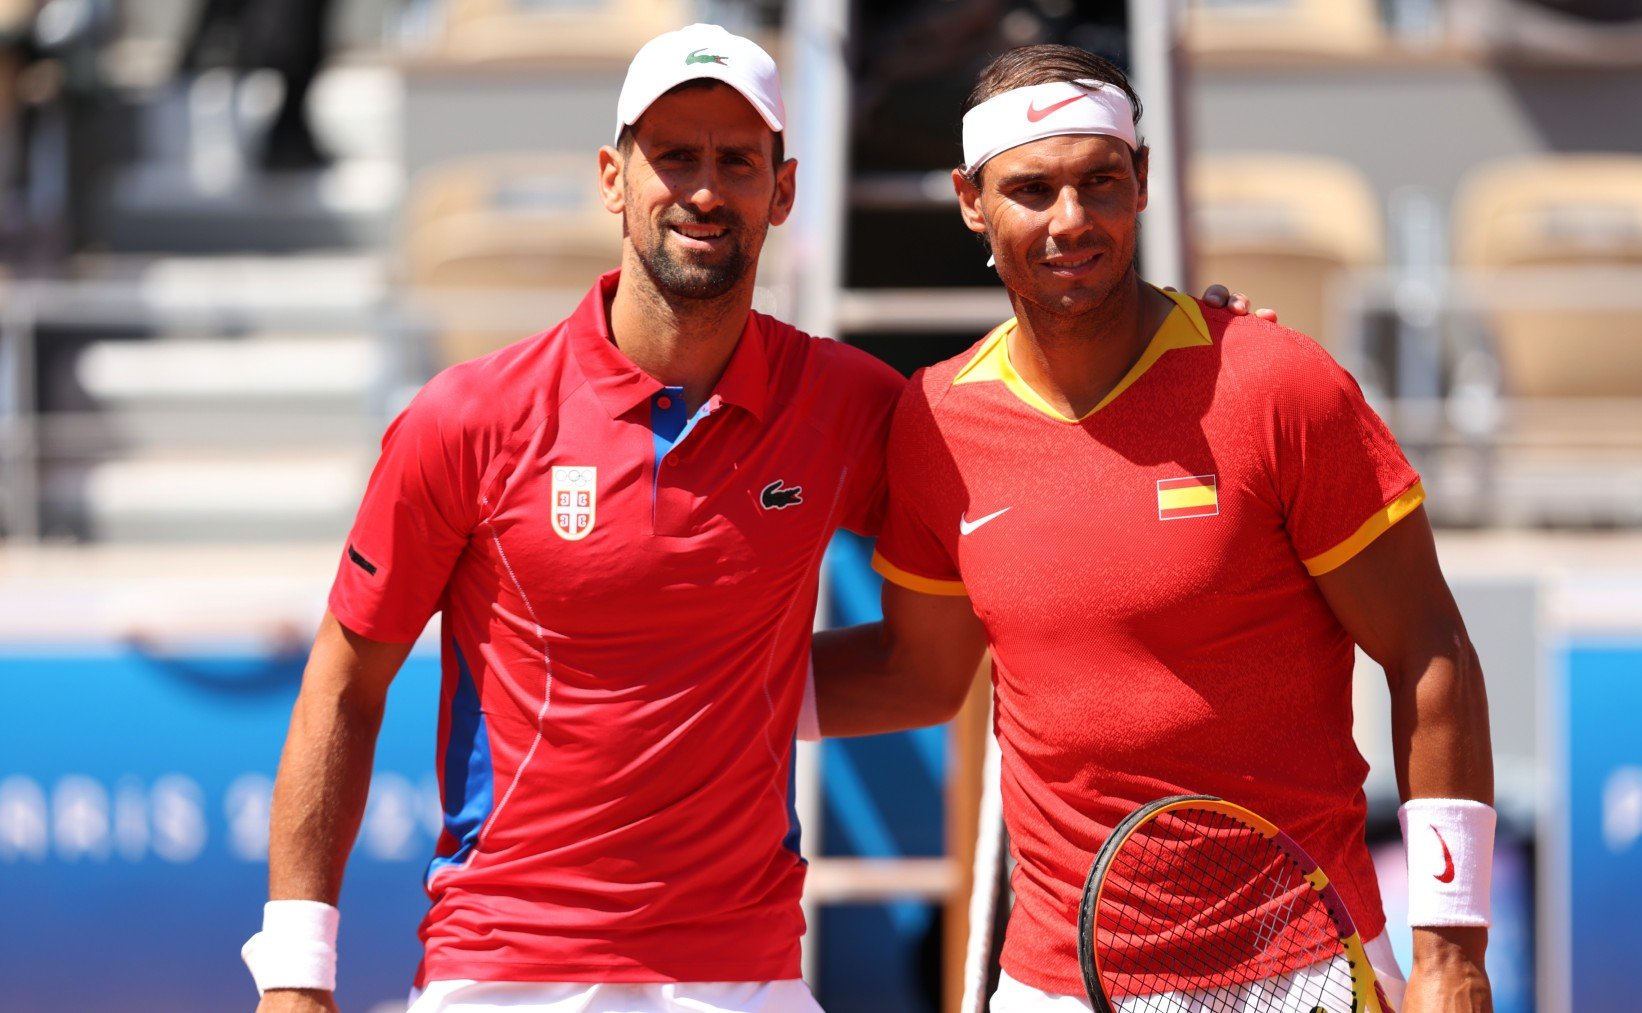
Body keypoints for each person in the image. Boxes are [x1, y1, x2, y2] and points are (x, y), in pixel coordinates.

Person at [239, 20, 1274, 1013]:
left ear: (783, 192)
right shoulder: (467, 417)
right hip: (505, 966)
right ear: (615, 178)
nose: (704, 188)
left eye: (738, 162)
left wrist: (1189, 360)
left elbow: (1030, 461)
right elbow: (343, 685)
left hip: (746, 970)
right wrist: (295, 966)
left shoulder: (848, 401)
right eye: (674, 155)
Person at [813, 45, 1497, 1012]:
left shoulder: (1279, 384)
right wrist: (686, 692)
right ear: (972, 201)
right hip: (1055, 981)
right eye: (1033, 188)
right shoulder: (935, 423)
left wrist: (1452, 951)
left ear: (1141, 184)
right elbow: (915, 674)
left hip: (1306, 966)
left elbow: (1432, 652)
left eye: (1101, 181)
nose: (1071, 220)